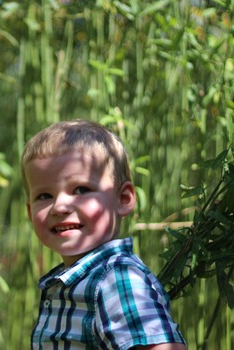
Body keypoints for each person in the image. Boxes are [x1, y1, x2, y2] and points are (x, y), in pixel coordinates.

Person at [21, 120, 186, 349]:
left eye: (81, 190)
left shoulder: (115, 279)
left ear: (123, 199)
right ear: (30, 211)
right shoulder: (75, 281)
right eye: (45, 196)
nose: (59, 207)